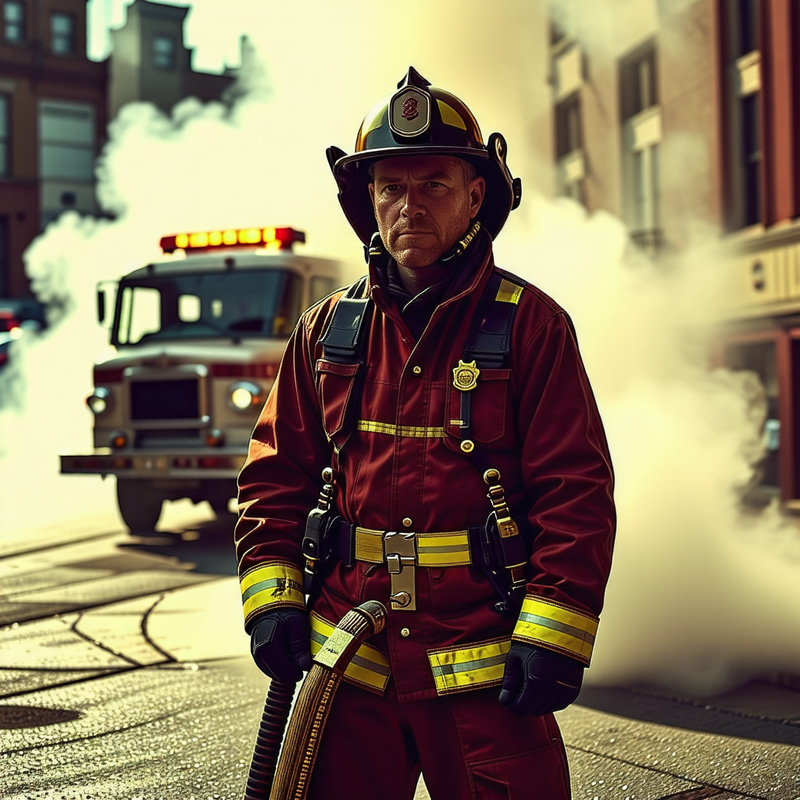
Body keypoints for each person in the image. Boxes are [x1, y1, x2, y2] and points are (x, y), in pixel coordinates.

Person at [235, 67, 616, 800]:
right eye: (390, 188)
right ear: (367, 202)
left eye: (434, 185)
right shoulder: (326, 330)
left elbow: (577, 492)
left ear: (476, 195)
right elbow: (274, 478)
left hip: (486, 669)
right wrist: (272, 599)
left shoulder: (530, 325)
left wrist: (554, 633)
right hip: (350, 668)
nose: (409, 205)